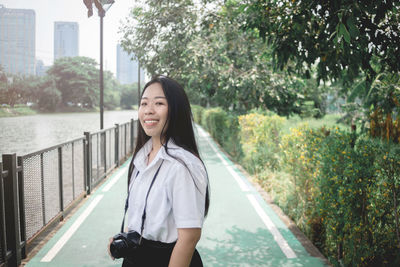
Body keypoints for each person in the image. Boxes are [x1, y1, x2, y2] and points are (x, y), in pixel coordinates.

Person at [108, 75, 210, 267]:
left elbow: (189, 237)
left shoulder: (182, 165)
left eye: (159, 103)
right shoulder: (141, 158)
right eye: (144, 104)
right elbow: (139, 215)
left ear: (176, 110)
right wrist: (125, 239)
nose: (149, 111)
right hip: (135, 258)